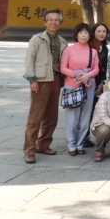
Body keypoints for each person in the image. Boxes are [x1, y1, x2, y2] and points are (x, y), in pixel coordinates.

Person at [23, 10, 68, 164]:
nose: (53, 22)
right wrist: (32, 80)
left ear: (60, 23)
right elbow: (29, 60)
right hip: (41, 80)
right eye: (50, 20)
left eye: (57, 20)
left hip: (56, 79)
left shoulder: (62, 41)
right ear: (45, 22)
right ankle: (29, 150)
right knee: (35, 117)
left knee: (52, 116)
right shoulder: (37, 39)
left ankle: (43, 144)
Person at [60, 23, 100, 156]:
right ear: (76, 35)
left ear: (90, 35)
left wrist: (89, 75)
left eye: (86, 33)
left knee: (85, 117)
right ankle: (71, 144)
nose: (84, 35)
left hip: (89, 85)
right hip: (72, 85)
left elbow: (96, 69)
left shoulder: (93, 51)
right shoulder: (69, 50)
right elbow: (63, 68)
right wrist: (75, 75)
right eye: (81, 32)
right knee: (72, 117)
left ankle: (80, 144)